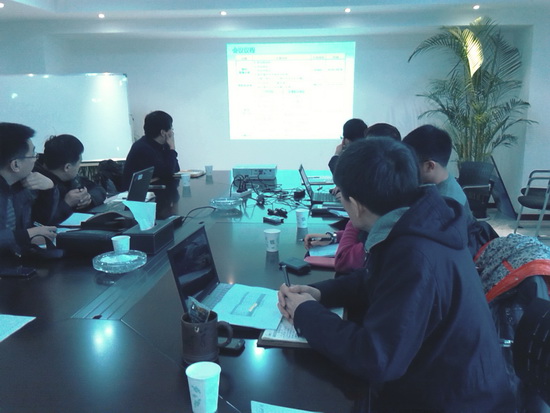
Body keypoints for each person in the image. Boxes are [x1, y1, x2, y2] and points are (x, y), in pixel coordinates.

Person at [279, 138, 513, 412]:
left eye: (340, 195)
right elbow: (376, 278)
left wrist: (305, 313)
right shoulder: (416, 222)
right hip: (451, 383)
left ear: (356, 205)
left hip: (455, 402)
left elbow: (376, 358)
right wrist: (321, 293)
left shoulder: (414, 254)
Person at [306, 123, 401, 273]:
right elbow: (365, 232)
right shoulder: (392, 190)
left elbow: (344, 260)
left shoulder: (388, 225)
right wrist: (334, 237)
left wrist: (355, 212)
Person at [0, 122, 58, 256]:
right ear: (16, 165)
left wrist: (49, 189)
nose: (35, 160)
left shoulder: (20, 185)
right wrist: (26, 235)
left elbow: (39, 221)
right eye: (33, 154)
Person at [33, 134, 106, 225]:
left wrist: (89, 198)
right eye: (79, 163)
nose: (79, 167)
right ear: (67, 167)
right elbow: (38, 223)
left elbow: (99, 189)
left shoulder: (70, 178)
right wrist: (67, 204)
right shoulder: (35, 183)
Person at [402, 124, 470, 212]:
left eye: (409, 163)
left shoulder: (445, 205)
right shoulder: (440, 181)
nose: (406, 168)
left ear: (429, 166)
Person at [122, 110, 180, 190]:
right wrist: (172, 148)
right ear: (163, 133)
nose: (172, 132)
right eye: (171, 129)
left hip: (152, 190)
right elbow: (168, 173)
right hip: (136, 194)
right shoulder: (143, 148)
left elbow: (175, 169)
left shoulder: (161, 145)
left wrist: (170, 149)